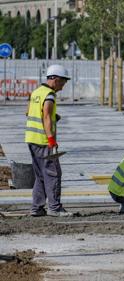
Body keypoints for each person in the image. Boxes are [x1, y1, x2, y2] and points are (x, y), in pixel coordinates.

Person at [25, 64, 72, 217]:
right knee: (53, 173)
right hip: (43, 140)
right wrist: (51, 139)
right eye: (63, 82)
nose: (63, 86)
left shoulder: (37, 92)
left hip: (31, 139)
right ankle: (55, 208)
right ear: (55, 79)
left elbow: (29, 112)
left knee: (40, 175)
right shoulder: (49, 95)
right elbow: (45, 116)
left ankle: (37, 208)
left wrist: (53, 117)